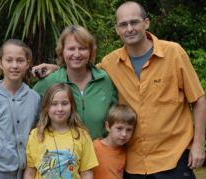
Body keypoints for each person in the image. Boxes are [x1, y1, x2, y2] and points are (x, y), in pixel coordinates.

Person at [32, 1, 206, 178]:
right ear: (117, 29)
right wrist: (57, 68)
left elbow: (199, 99)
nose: (129, 28)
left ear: (146, 23)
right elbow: (79, 66)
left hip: (174, 159)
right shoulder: (111, 63)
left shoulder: (174, 53)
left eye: (134, 22)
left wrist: (198, 144)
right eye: (123, 24)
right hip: (133, 163)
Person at [33, 25, 117, 139]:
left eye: (82, 48)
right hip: (62, 154)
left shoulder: (104, 80)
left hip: (99, 154)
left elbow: (116, 119)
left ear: (90, 51)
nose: (77, 54)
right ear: (62, 51)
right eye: (71, 49)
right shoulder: (49, 82)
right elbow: (29, 112)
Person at [0, 39, 41, 179]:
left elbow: (37, 135)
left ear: (28, 63)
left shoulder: (34, 98)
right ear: (0, 63)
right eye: (9, 60)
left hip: (26, 174)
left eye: (20, 60)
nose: (14, 65)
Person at [23, 83, 98, 179]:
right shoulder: (36, 135)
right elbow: (30, 172)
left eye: (64, 103)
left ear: (72, 106)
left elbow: (87, 173)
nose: (60, 109)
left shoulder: (82, 136)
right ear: (46, 108)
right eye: (54, 104)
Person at [93, 104, 137, 179]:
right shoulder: (94, 147)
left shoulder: (125, 151)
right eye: (119, 128)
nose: (124, 134)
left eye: (129, 130)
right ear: (108, 126)